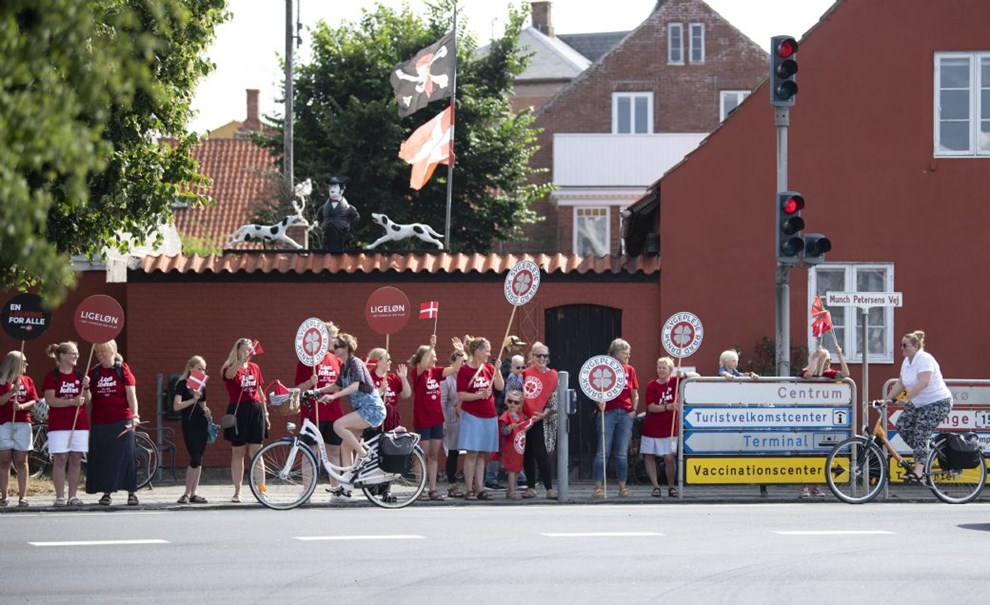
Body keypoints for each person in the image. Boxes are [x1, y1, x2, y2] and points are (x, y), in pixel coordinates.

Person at [887, 330, 953, 482]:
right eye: (900, 345)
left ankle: (918, 470)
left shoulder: (925, 359)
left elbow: (924, 381)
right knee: (902, 426)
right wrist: (886, 399)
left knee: (921, 431)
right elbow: (901, 382)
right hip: (918, 403)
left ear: (916, 346)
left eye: (905, 345)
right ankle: (925, 452)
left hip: (937, 402)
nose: (902, 348)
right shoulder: (907, 361)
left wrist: (907, 398)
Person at [85, 340, 140, 506]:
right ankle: (106, 492)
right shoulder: (94, 372)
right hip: (100, 422)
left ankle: (131, 492)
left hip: (122, 420)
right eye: (98, 352)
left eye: (104, 351)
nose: (101, 355)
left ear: (113, 351)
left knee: (126, 457)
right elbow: (88, 401)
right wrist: (86, 388)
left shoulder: (122, 369)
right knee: (104, 458)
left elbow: (131, 395)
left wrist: (135, 415)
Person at [326, 333, 386, 478]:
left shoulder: (355, 363)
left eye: (336, 346)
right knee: (345, 446)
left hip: (372, 409)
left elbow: (355, 386)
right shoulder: (345, 366)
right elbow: (336, 385)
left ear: (345, 348)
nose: (333, 348)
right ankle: (347, 484)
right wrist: (316, 391)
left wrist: (333, 396)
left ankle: (363, 455)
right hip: (363, 410)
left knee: (338, 425)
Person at [408, 334, 461, 500]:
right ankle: (421, 489)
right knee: (422, 454)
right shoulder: (418, 373)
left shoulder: (436, 372)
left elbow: (455, 368)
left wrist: (460, 352)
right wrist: (431, 347)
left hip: (437, 419)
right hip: (423, 419)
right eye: (433, 356)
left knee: (433, 455)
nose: (436, 359)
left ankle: (432, 489)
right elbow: (423, 364)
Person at [294, 322, 344, 492]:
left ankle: (336, 489)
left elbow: (341, 386)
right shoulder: (307, 361)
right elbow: (297, 389)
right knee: (310, 452)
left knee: (334, 451)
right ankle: (307, 490)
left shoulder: (336, 360)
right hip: (313, 414)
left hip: (333, 413)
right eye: (332, 336)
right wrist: (310, 382)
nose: (335, 339)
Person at [797, 344, 850, 498]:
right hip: (808, 417)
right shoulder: (808, 371)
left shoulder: (830, 373)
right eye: (826, 360)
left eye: (830, 360)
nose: (829, 363)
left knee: (822, 453)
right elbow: (808, 374)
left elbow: (846, 373)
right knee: (807, 452)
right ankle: (804, 485)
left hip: (825, 419)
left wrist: (840, 356)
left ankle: (816, 486)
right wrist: (815, 358)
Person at [456, 335, 504, 501]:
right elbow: (461, 394)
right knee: (472, 453)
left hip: (489, 415)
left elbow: (500, 386)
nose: (489, 354)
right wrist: (479, 395)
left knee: (483, 454)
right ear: (477, 351)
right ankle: (469, 489)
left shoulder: (490, 367)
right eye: (487, 350)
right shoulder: (465, 370)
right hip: (472, 415)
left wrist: (497, 371)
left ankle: (480, 488)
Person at [221, 338, 268, 503]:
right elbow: (229, 375)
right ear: (238, 349)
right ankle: (238, 491)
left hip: (255, 410)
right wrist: (240, 360)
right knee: (238, 452)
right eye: (245, 349)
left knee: (257, 451)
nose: (249, 352)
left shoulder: (255, 367)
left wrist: (266, 413)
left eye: (250, 349)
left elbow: (260, 391)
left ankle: (261, 489)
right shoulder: (230, 367)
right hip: (238, 410)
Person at [42, 342, 89, 507]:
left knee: (76, 459)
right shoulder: (52, 376)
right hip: (59, 424)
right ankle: (60, 496)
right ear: (62, 356)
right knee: (60, 459)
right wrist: (71, 402)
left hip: (80, 424)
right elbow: (50, 400)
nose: (76, 356)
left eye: (77, 353)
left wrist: (87, 387)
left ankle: (73, 496)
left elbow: (87, 400)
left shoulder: (80, 376)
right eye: (72, 353)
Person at [643, 357, 697, 498]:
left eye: (664, 368)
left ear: (670, 370)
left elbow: (696, 376)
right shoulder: (651, 385)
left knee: (669, 458)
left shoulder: (675, 382)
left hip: (670, 428)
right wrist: (667, 407)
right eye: (659, 367)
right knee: (649, 456)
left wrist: (683, 375)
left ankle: (671, 486)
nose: (660, 370)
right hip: (652, 428)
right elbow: (651, 407)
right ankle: (656, 486)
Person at [593, 338, 639, 498]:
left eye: (629, 351)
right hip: (607, 412)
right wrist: (598, 402)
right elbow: (594, 388)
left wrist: (634, 410)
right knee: (602, 452)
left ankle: (622, 488)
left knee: (622, 452)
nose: (628, 354)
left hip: (625, 414)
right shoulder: (604, 367)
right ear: (615, 352)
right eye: (624, 351)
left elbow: (634, 393)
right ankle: (598, 488)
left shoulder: (630, 370)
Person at [487, 336, 527, 490]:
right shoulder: (504, 368)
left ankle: (520, 477)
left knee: (514, 443)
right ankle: (491, 479)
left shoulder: (520, 368)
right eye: (517, 346)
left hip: (514, 412)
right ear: (509, 348)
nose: (520, 348)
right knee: (498, 444)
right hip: (501, 411)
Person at [172, 355, 212, 504]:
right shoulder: (182, 384)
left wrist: (206, 411)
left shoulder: (202, 385)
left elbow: (202, 405)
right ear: (190, 368)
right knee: (194, 456)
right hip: (189, 424)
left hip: (201, 422)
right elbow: (176, 406)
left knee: (199, 458)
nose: (202, 371)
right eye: (199, 368)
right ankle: (186, 493)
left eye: (204, 369)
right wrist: (192, 400)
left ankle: (194, 493)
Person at [0, 351, 38, 508]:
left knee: (22, 461)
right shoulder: (2, 382)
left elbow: (33, 400)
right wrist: (11, 392)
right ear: (15, 364)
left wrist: (21, 406)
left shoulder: (27, 380)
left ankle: (23, 497)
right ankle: (4, 496)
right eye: (24, 361)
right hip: (4, 423)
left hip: (23, 423)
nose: (27, 365)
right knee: (4, 460)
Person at [521, 342, 558, 500]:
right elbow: (517, 393)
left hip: (543, 419)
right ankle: (530, 487)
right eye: (539, 356)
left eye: (545, 356)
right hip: (525, 418)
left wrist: (543, 414)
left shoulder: (554, 375)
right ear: (532, 357)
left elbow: (555, 399)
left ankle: (549, 488)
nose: (542, 359)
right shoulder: (525, 373)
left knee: (541, 453)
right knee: (527, 453)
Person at [368, 347, 411, 433]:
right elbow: (368, 399)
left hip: (391, 421)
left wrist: (403, 378)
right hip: (375, 423)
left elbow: (406, 394)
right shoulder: (369, 378)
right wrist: (380, 390)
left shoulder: (392, 378)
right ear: (378, 361)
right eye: (387, 360)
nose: (390, 362)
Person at [440, 350, 465, 497]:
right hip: (452, 418)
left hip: (468, 417)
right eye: (461, 362)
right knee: (453, 451)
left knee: (471, 451)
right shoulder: (447, 379)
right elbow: (442, 402)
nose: (463, 365)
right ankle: (452, 484)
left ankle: (473, 484)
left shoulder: (469, 375)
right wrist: (443, 422)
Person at [499, 390, 530, 500]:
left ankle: (511, 490)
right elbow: (503, 432)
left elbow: (525, 426)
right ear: (506, 402)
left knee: (517, 469)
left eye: (516, 402)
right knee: (512, 470)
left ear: (520, 404)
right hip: (510, 447)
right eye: (510, 401)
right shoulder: (505, 416)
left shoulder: (520, 416)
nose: (512, 404)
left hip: (519, 448)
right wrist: (509, 428)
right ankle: (512, 491)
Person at [316, 176, 359, 253]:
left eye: (335, 187)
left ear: (341, 191)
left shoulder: (349, 208)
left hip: (341, 235)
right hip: (327, 236)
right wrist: (323, 225)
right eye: (331, 187)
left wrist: (348, 228)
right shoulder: (323, 208)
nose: (332, 189)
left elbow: (355, 218)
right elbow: (319, 218)